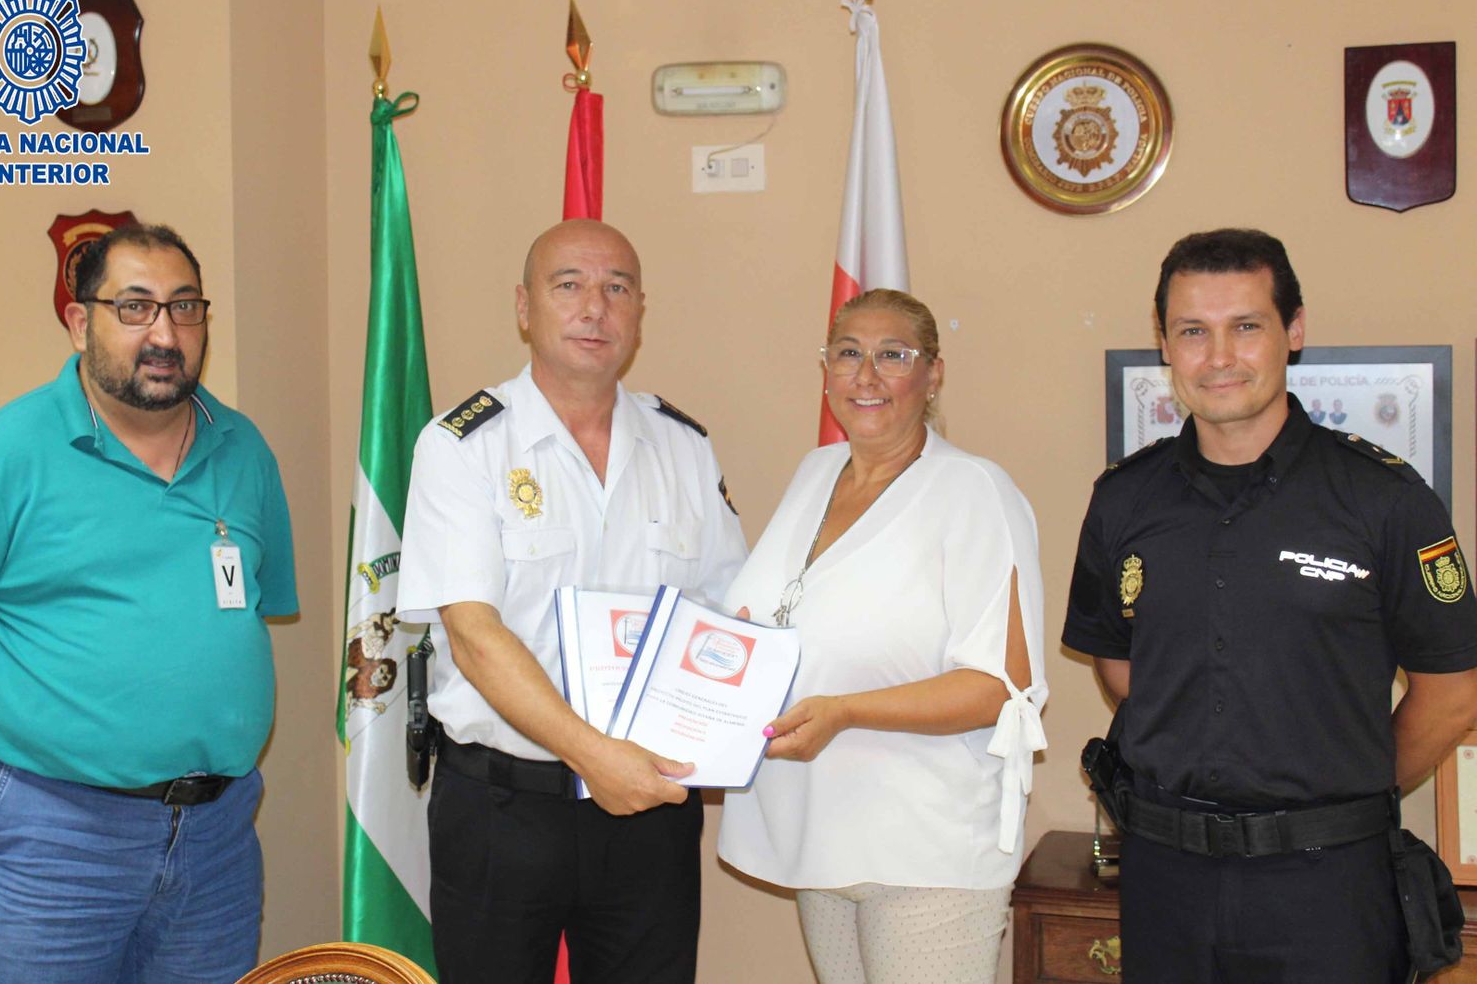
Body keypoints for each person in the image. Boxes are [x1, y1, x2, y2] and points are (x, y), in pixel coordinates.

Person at [0, 224, 298, 983]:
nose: (164, 333)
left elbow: (248, 610)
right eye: (134, 307)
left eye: (184, 307)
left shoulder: (243, 450)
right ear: (80, 323)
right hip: (54, 836)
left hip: (217, 838)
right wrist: (15, 719)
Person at [1062, 228, 1477, 982]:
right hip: (1167, 881)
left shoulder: (1384, 501)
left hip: (1328, 885)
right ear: (1164, 343)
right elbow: (1121, 666)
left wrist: (1343, 790)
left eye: (1245, 326)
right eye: (1193, 331)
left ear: (1294, 330)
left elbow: (1451, 698)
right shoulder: (1124, 499)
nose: (1218, 357)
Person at [395, 218, 747, 983]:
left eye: (617, 288)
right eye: (570, 286)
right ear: (524, 308)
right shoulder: (462, 446)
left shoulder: (683, 448)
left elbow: (726, 618)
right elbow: (474, 636)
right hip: (503, 805)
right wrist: (596, 758)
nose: (596, 307)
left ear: (640, 312)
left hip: (650, 812)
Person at [718, 288, 1047, 984]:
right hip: (819, 833)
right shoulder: (815, 474)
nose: (866, 376)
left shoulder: (973, 491)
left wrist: (846, 711)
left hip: (925, 848)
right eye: (848, 353)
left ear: (933, 374)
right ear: (826, 371)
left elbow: (1002, 686)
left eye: (892, 355)